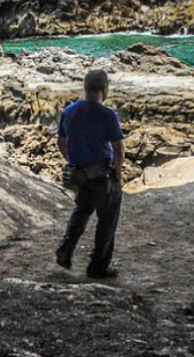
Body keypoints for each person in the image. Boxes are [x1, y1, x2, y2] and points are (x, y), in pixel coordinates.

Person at [55, 68, 125, 279]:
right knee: (107, 220)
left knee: (82, 211)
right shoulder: (108, 115)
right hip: (102, 175)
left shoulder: (69, 112)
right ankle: (97, 266)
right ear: (105, 89)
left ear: (85, 88)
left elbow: (61, 141)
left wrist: (71, 161)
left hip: (79, 174)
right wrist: (118, 175)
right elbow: (119, 150)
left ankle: (66, 248)